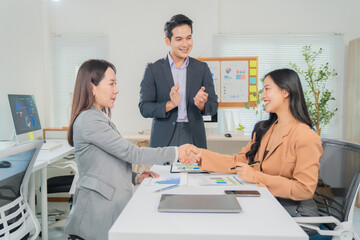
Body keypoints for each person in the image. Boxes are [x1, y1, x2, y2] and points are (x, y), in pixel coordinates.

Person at [64, 59, 198, 240]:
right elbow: (131, 153)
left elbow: (107, 162)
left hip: (104, 210)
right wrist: (177, 152)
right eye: (111, 84)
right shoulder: (90, 120)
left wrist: (135, 177)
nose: (116, 90)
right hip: (94, 216)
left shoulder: (98, 117)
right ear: (92, 87)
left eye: (115, 84)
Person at [196, 69, 323, 224]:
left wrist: (255, 176)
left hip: (296, 214)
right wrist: (200, 155)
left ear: (285, 91)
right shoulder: (264, 129)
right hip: (269, 201)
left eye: (267, 89)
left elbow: (304, 189)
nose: (262, 95)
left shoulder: (306, 137)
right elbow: (240, 161)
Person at [139, 14, 218, 148]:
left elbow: (213, 106)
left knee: (196, 170)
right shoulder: (154, 69)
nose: (185, 44)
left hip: (193, 136)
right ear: (167, 41)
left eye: (189, 38)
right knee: (161, 170)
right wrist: (170, 104)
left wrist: (202, 105)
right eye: (179, 39)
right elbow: (144, 108)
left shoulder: (202, 68)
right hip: (164, 137)